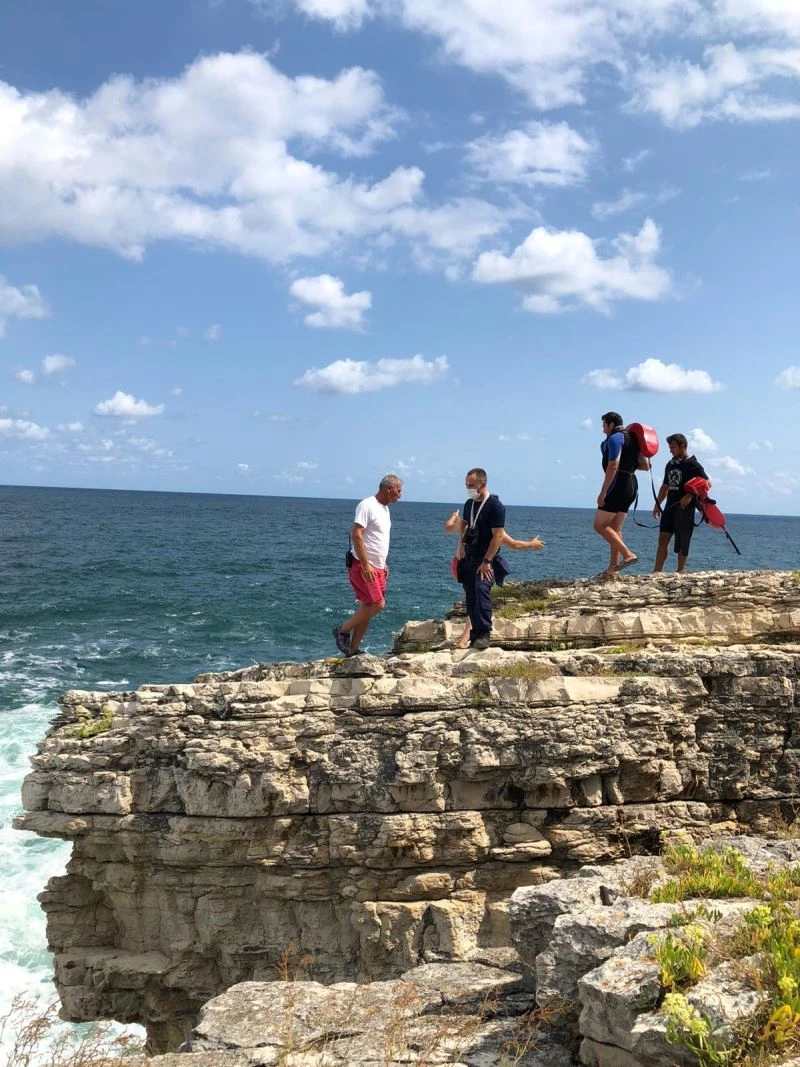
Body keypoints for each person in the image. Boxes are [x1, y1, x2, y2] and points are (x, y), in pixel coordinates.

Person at [443, 511, 545, 648]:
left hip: (461, 566)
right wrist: (532, 544)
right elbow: (514, 544)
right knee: (475, 598)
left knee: (474, 598)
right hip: (465, 566)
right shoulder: (479, 527)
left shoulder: (470, 525)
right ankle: (466, 637)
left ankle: (467, 637)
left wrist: (453, 518)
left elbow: (448, 527)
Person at [333, 474, 403, 656]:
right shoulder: (367, 505)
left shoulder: (385, 509)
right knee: (378, 605)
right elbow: (357, 534)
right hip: (364, 567)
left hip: (377, 567)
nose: (400, 495)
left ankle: (352, 649)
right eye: (398, 490)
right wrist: (365, 564)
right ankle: (342, 630)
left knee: (367, 607)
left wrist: (382, 562)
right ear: (389, 489)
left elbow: (375, 539)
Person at [451, 468, 506, 651]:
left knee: (482, 589)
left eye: (471, 486)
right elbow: (464, 525)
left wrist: (487, 561)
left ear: (482, 484)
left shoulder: (495, 506)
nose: (468, 489)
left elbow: (498, 536)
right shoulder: (469, 504)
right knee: (471, 596)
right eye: (467, 485)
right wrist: (460, 546)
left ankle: (484, 634)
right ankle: (474, 637)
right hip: (469, 558)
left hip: (485, 559)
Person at [652, 434, 710, 573]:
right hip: (669, 508)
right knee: (662, 539)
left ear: (682, 446)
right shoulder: (670, 464)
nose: (670, 450)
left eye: (673, 447)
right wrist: (657, 504)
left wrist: (690, 494)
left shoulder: (693, 464)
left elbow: (707, 483)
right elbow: (665, 486)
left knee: (683, 542)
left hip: (685, 509)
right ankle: (657, 571)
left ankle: (680, 571)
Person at [594, 412, 640, 577]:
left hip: (618, 484)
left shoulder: (615, 438)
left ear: (611, 424)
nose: (603, 428)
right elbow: (644, 465)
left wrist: (604, 491)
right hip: (632, 484)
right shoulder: (633, 440)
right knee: (615, 528)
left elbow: (613, 465)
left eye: (604, 425)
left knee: (599, 525)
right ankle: (613, 570)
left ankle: (628, 554)